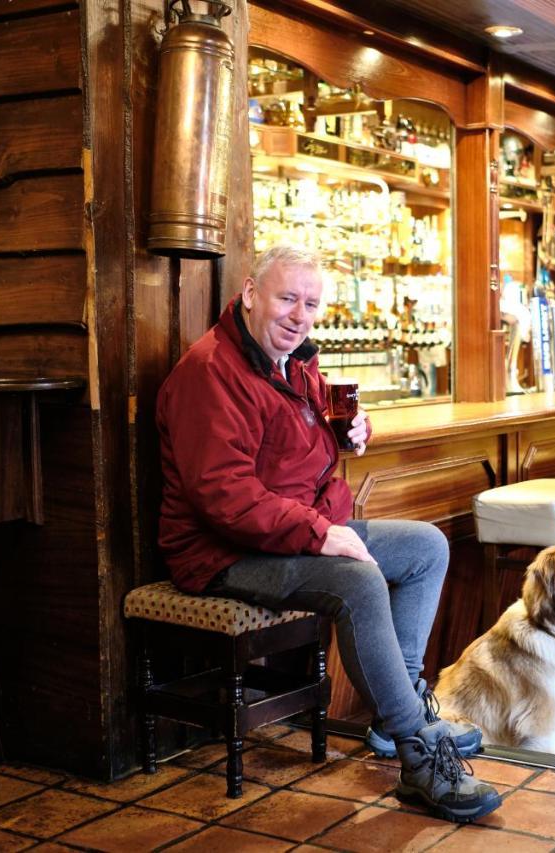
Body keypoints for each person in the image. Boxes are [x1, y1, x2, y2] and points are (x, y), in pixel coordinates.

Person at [155, 245, 499, 823]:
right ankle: (418, 753)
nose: (299, 315)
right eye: (287, 298)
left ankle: (399, 712)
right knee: (359, 581)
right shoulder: (210, 372)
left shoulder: (293, 361)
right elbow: (223, 497)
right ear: (249, 294)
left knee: (426, 546)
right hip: (223, 552)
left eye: (311, 304)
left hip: (289, 529)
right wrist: (318, 534)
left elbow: (294, 444)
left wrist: (350, 432)